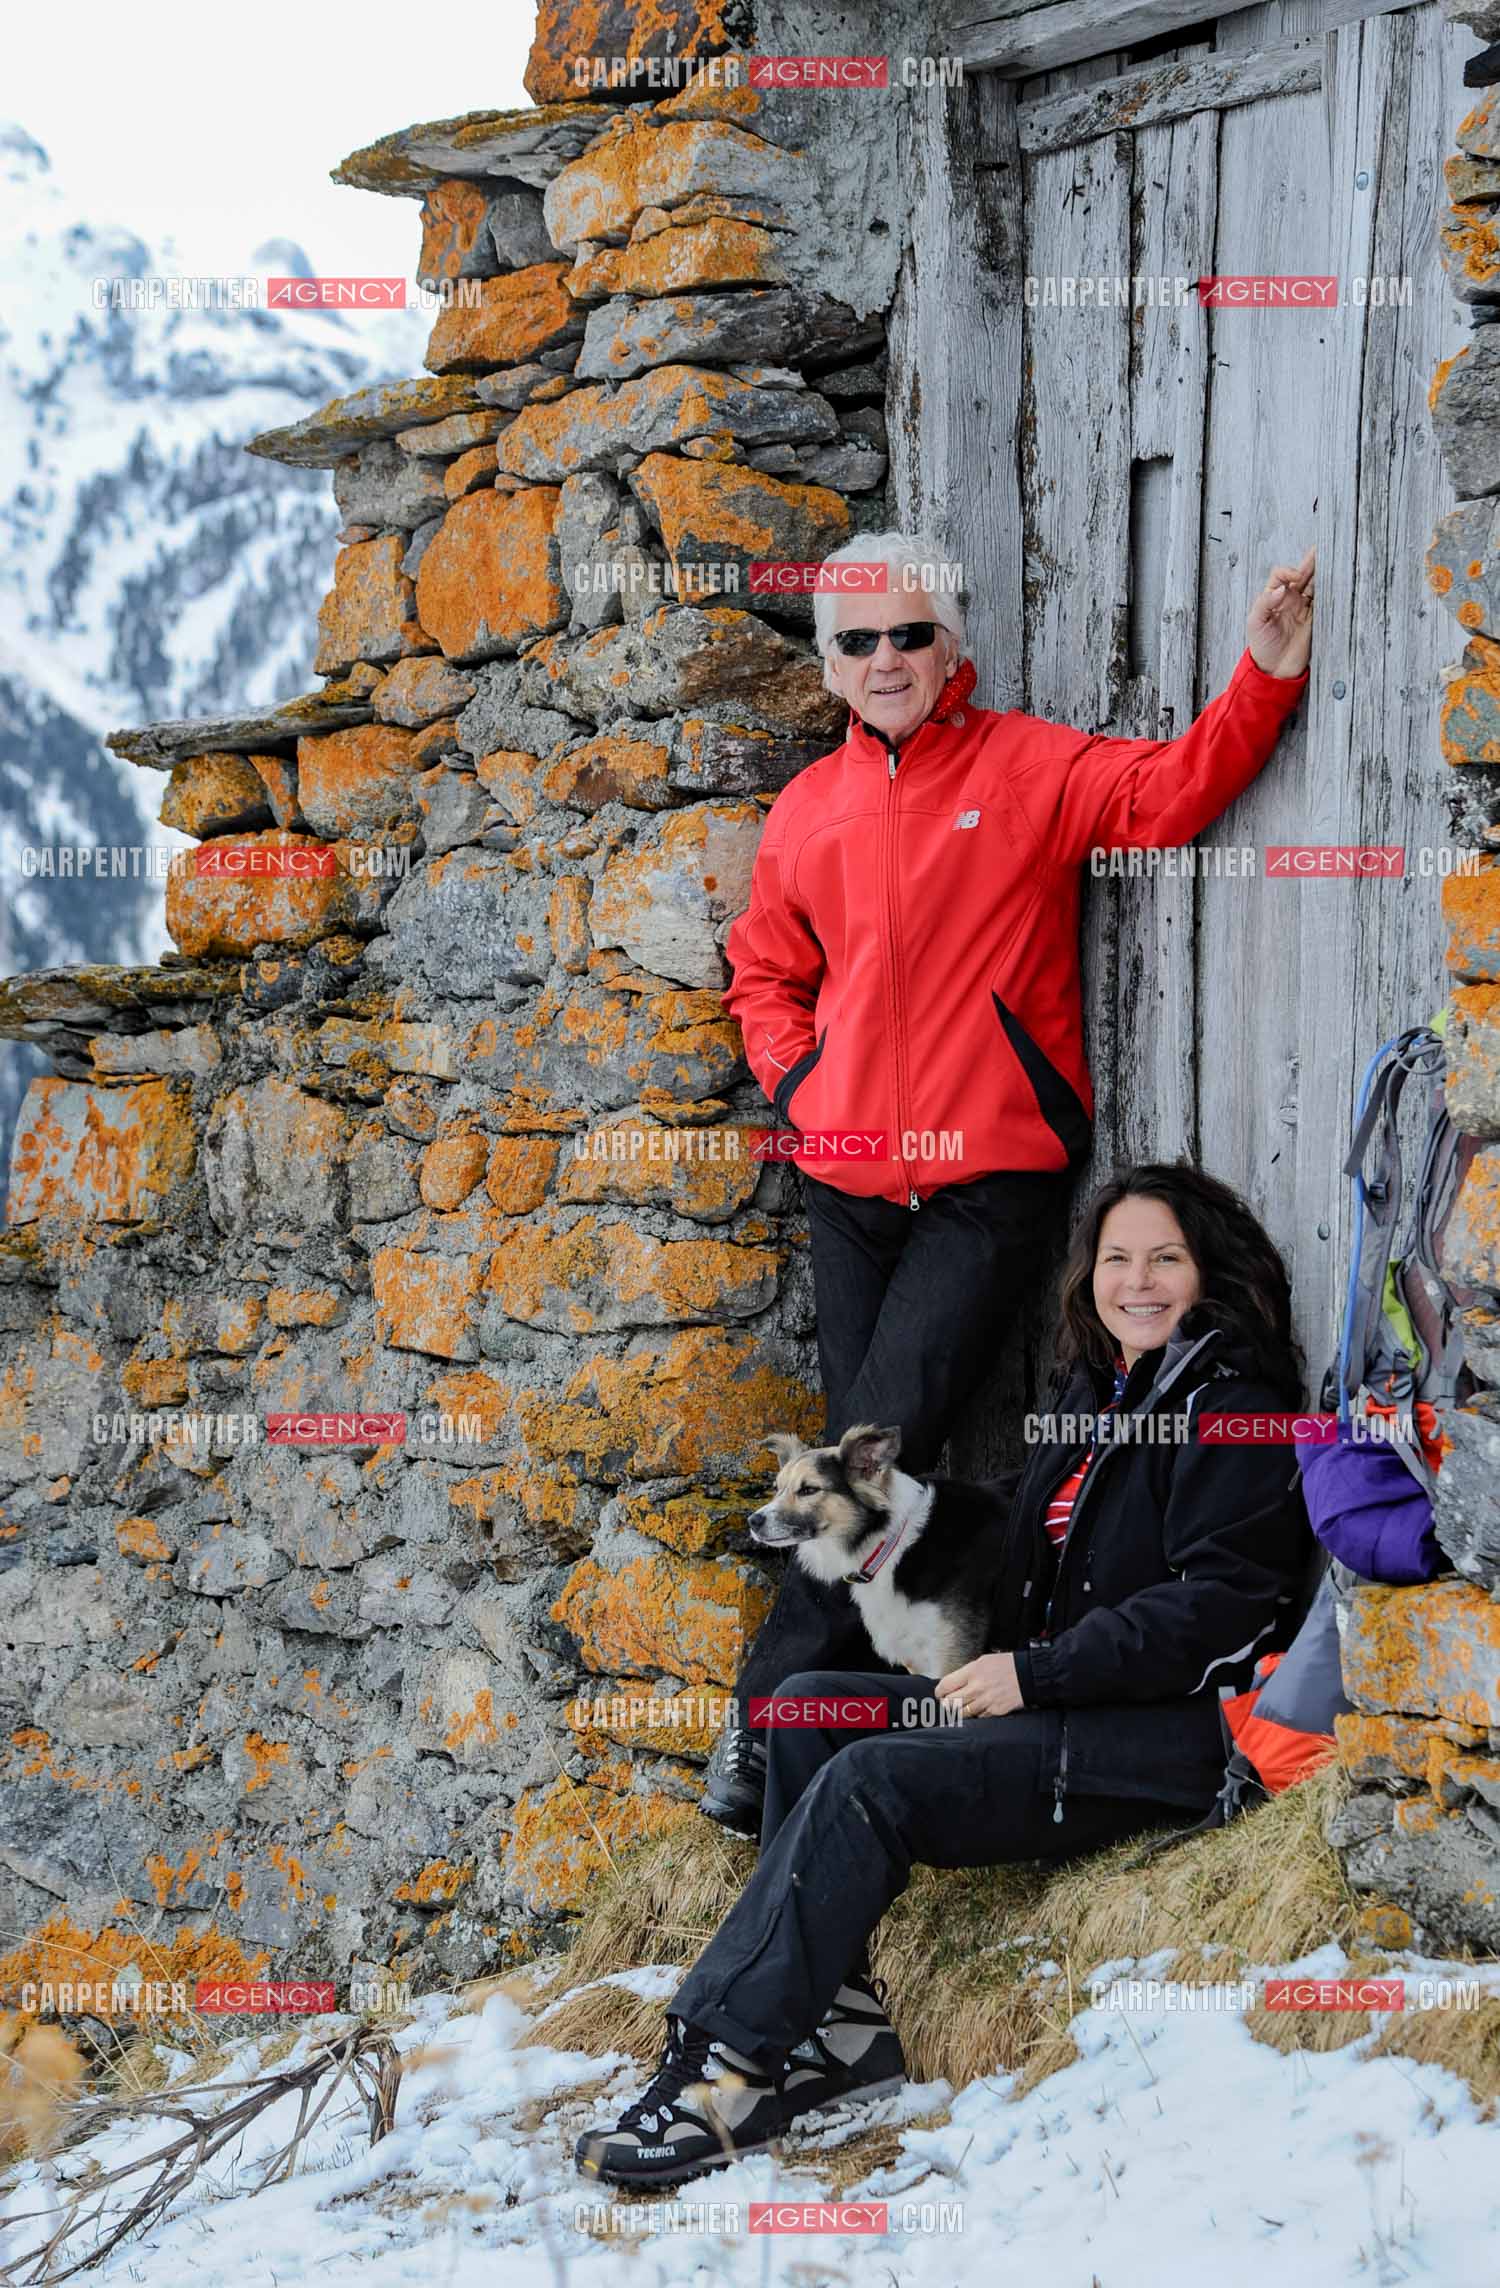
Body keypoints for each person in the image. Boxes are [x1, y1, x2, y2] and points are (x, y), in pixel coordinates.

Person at [700, 531, 1316, 1833]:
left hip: (990, 1182)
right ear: (829, 665)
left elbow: (1166, 797)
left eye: (909, 635)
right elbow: (763, 971)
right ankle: (851, 1749)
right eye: (858, 642)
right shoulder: (808, 809)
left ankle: (769, 1740)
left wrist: (1260, 675)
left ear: (951, 646)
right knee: (865, 1471)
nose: (886, 661)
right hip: (852, 1188)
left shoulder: (1027, 767)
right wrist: (806, 1093)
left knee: (858, 1462)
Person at [577, 1165, 1314, 2188]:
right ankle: (834, 2030)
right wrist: (909, 1513)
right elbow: (1022, 1516)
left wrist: (1035, 1671)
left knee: (875, 1780)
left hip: (1171, 1739)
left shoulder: (1231, 1407)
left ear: (1209, 1274)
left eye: (1165, 1258)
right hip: (1070, 1700)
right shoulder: (1103, 1394)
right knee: (810, 1706)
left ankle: (725, 2068)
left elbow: (1220, 1605)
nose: (1136, 1280)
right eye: (1116, 1258)